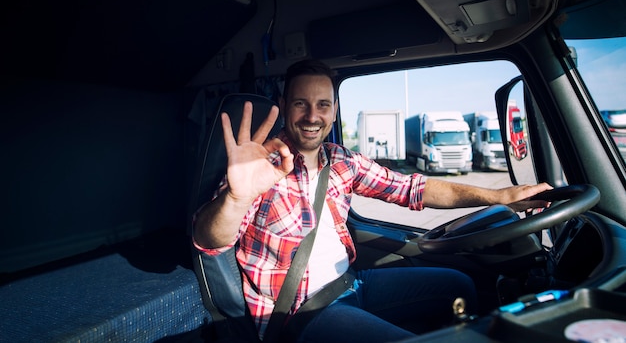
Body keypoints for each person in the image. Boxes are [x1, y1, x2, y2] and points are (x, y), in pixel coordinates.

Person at [193, 59, 552, 343]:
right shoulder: (260, 167)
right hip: (298, 313)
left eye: (322, 104)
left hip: (351, 284)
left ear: (334, 110)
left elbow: (414, 189)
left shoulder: (343, 161)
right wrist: (236, 197)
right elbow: (210, 241)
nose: (312, 116)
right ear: (285, 105)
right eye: (301, 103)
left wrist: (501, 196)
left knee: (461, 285)